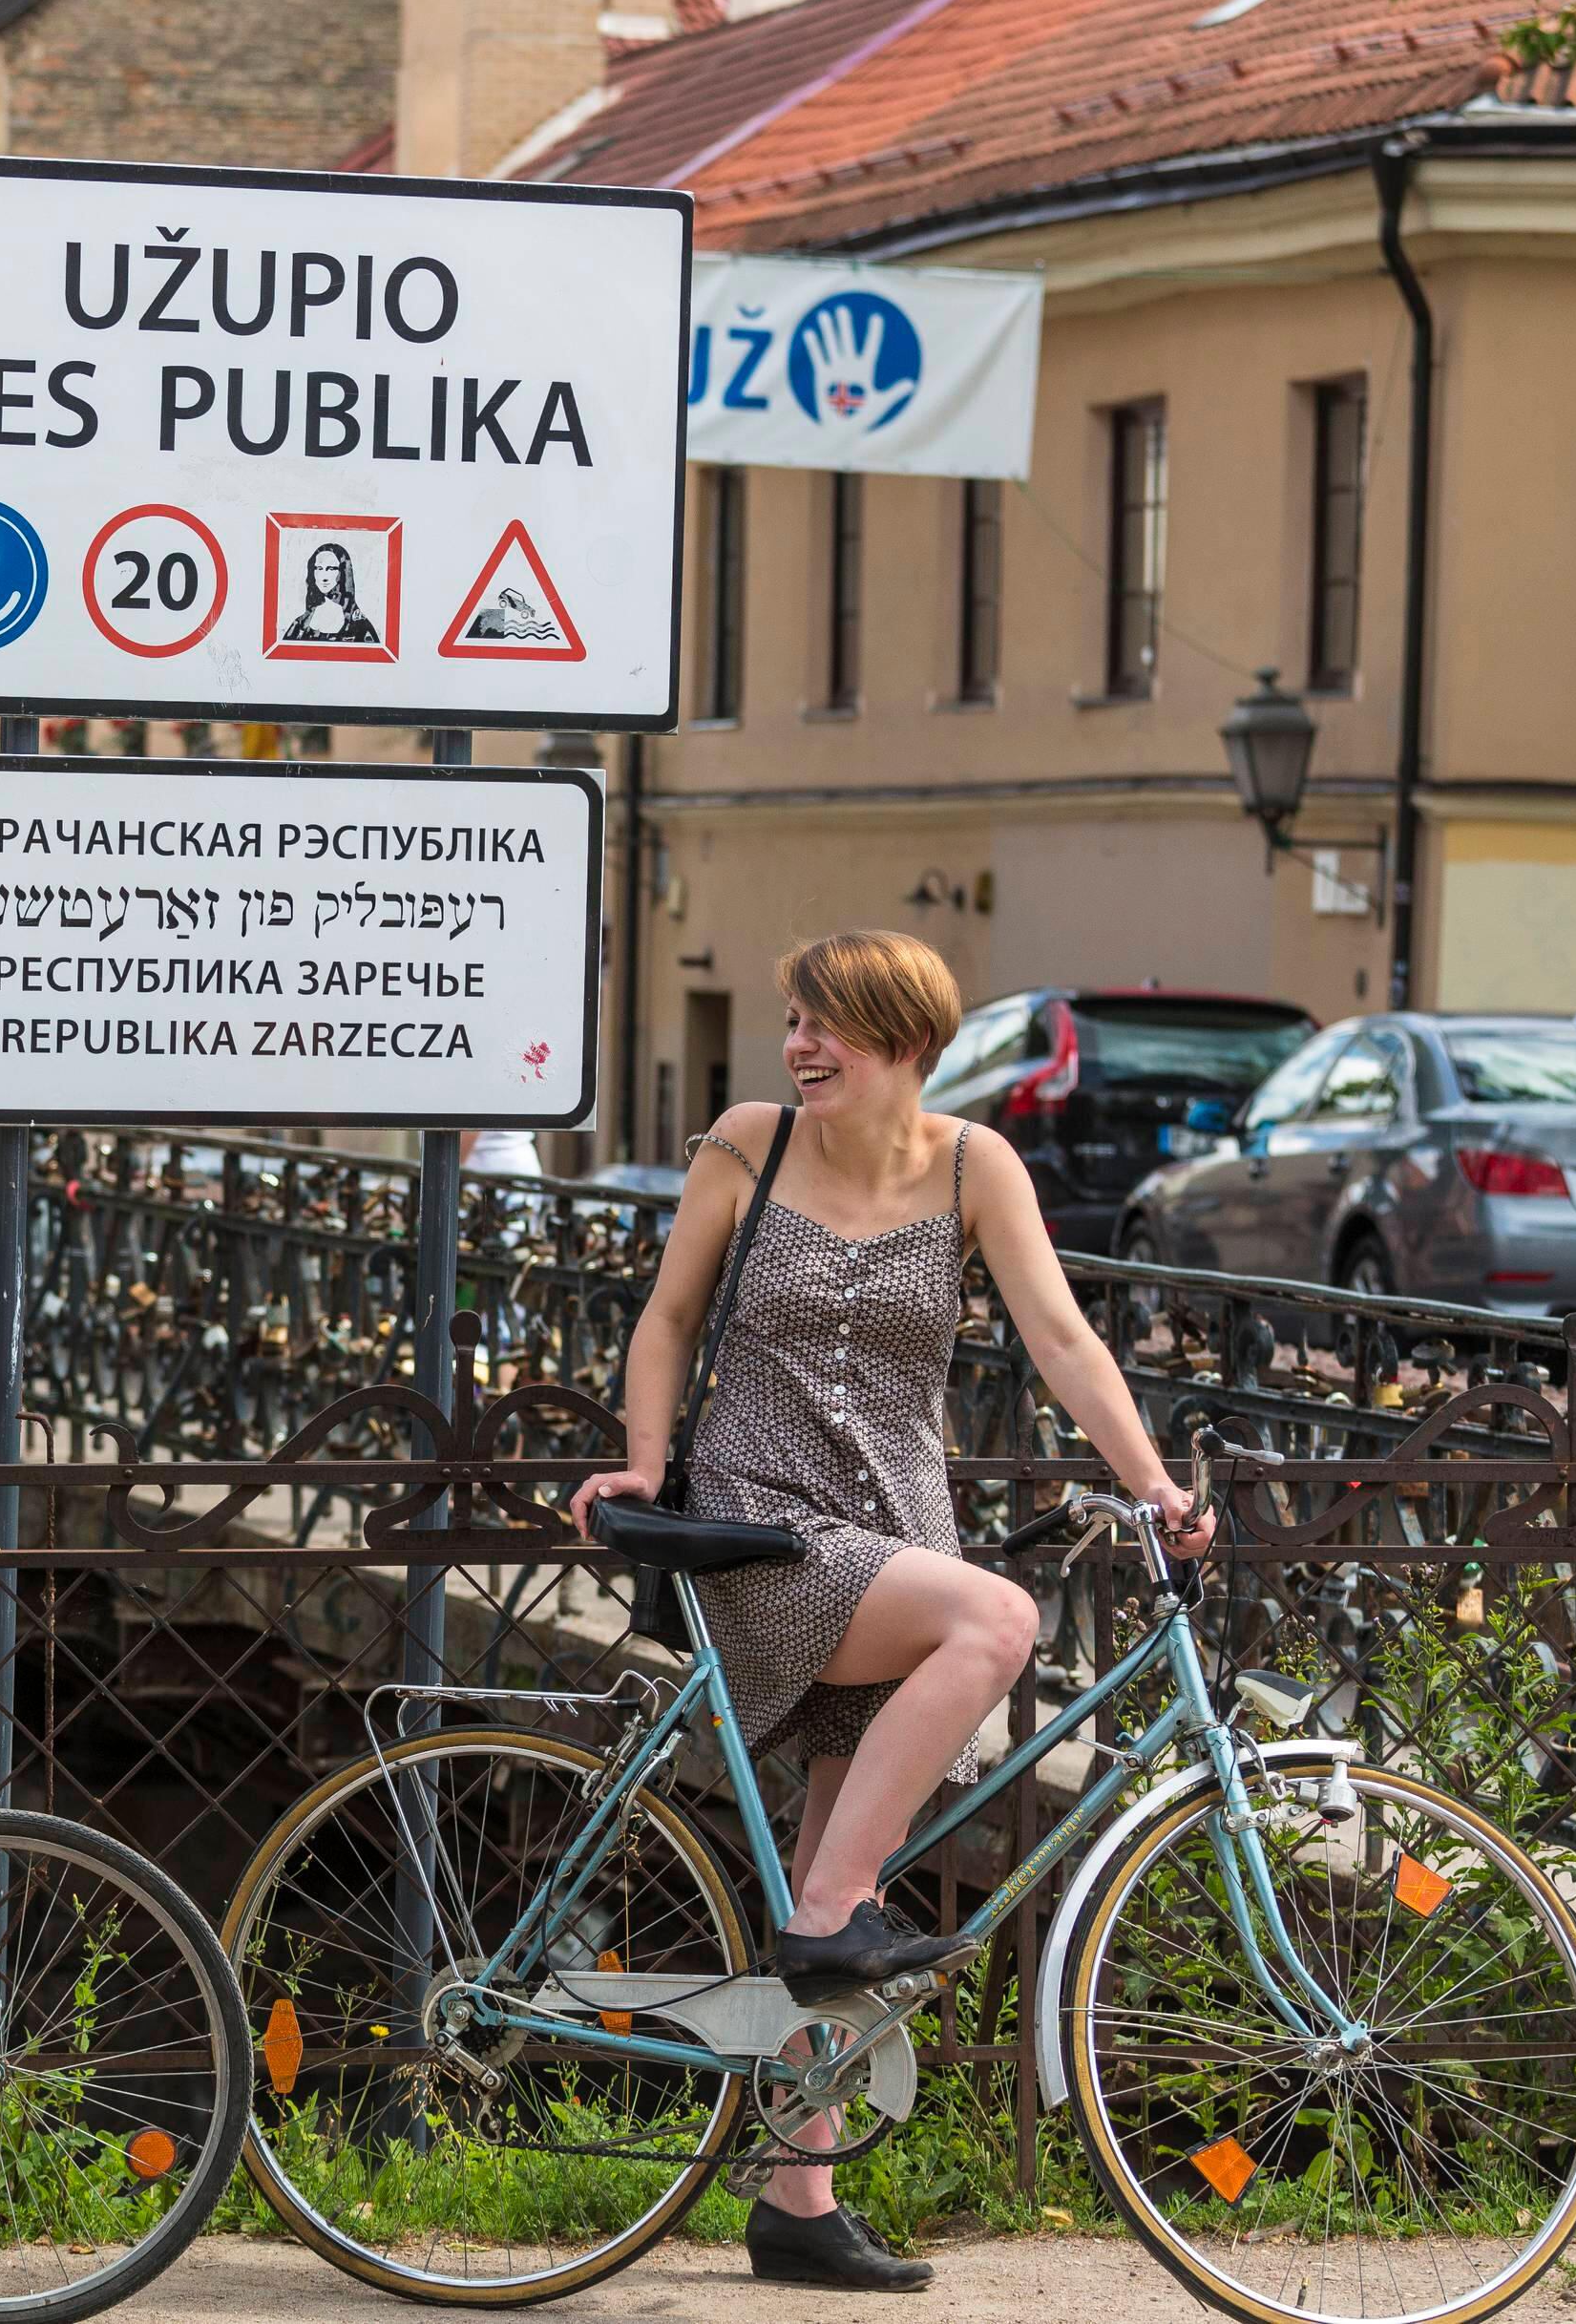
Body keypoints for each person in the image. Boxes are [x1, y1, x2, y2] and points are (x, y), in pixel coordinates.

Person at [571, 930, 1204, 2295]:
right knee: (992, 1632)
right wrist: (637, 1454)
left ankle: (796, 2200)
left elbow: (1059, 1339)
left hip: (895, 1532)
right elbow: (667, 1318)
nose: (798, 1046)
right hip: (765, 1527)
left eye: (826, 1026)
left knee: (833, 1845)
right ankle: (825, 1919)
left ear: (905, 1041)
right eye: (791, 1021)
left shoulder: (976, 1167)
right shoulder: (746, 1143)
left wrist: (1149, 1485)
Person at [281, 540, 381, 644]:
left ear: (343, 572)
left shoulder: (359, 624)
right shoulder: (301, 623)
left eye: (331, 569)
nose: (324, 577)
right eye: (319, 568)